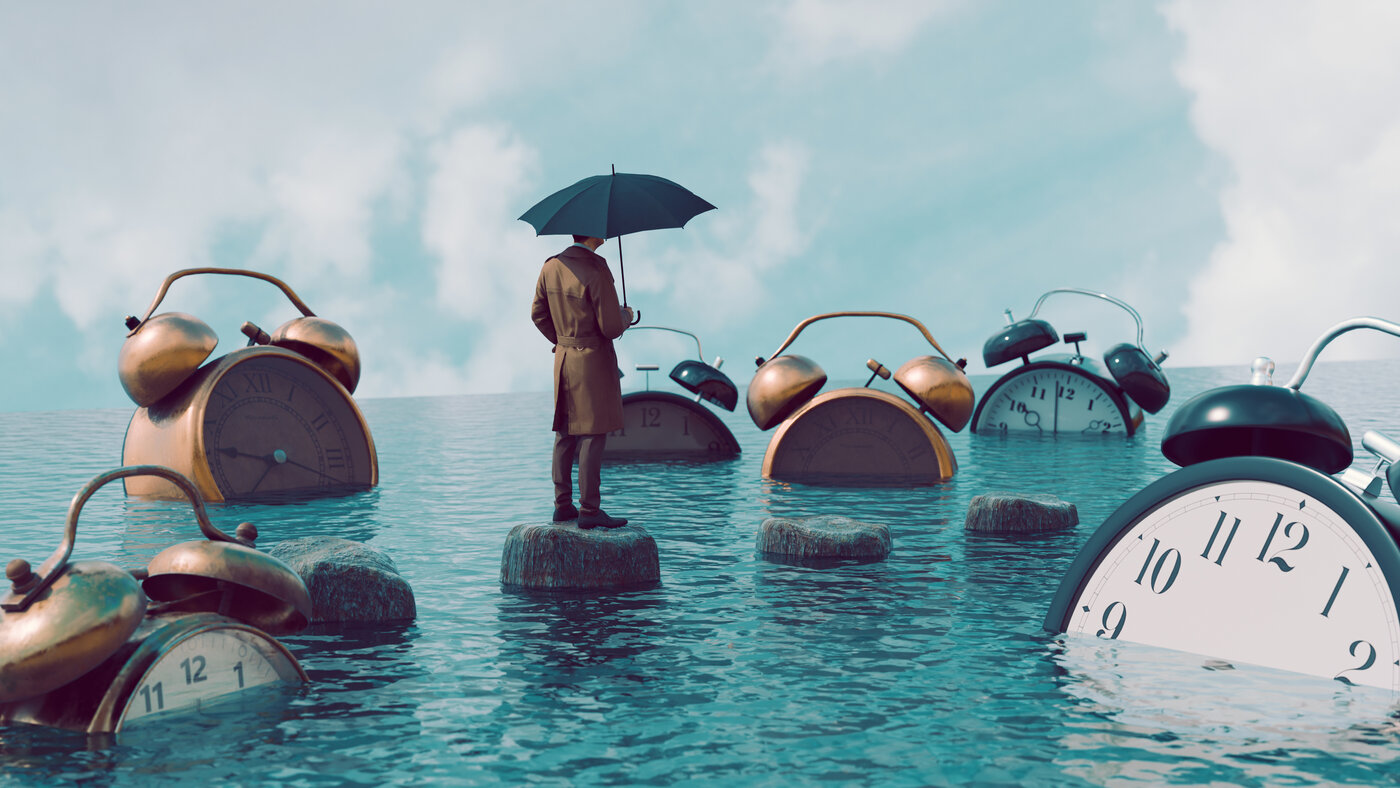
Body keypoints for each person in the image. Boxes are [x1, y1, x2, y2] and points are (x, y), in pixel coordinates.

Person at [531, 234, 634, 529]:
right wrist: (626, 316)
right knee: (593, 433)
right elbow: (611, 327)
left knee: (565, 432)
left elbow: (537, 314)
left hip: (563, 359)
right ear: (593, 233)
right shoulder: (597, 269)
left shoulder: (550, 266)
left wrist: (562, 340)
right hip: (592, 362)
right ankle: (590, 510)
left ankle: (562, 506)